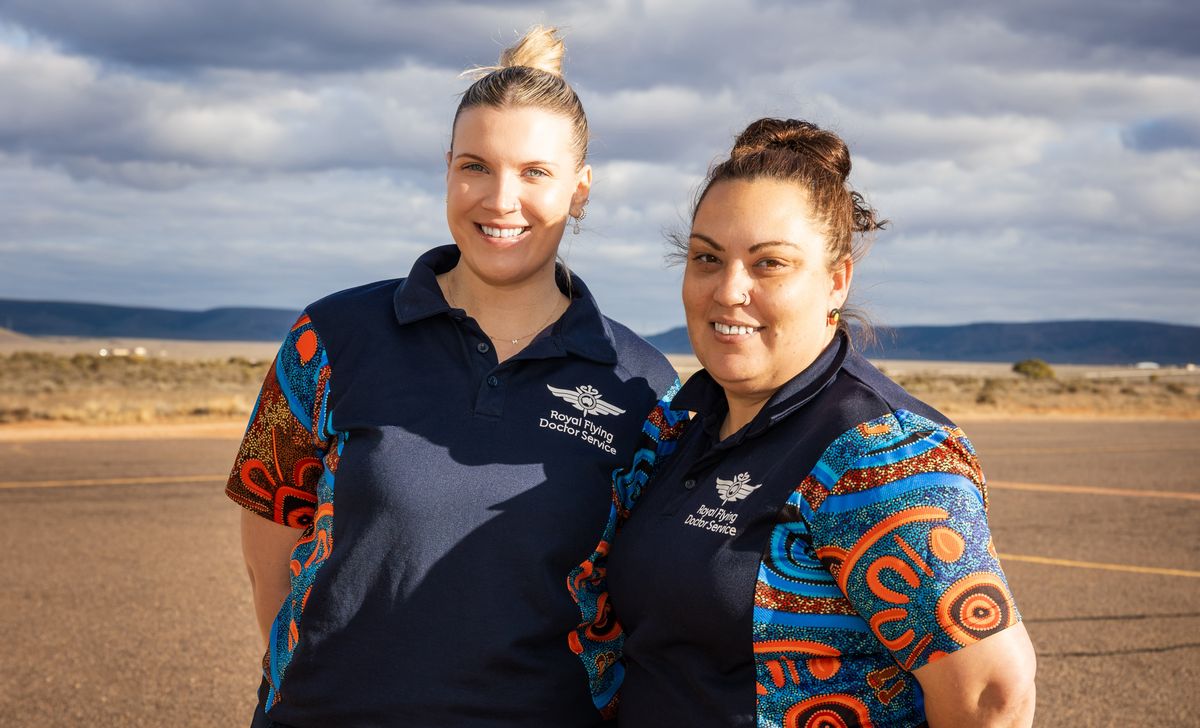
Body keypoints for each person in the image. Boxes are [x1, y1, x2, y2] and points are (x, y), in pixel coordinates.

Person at [225, 27, 678, 728]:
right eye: (476, 166)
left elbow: (642, 594)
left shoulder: (642, 382)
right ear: (447, 171)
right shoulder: (329, 336)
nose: (500, 200)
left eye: (535, 172)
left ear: (580, 190)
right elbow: (268, 549)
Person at [606, 118, 1037, 727]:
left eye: (769, 264)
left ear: (835, 281)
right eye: (707, 257)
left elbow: (992, 693)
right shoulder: (682, 423)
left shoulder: (877, 454)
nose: (729, 289)